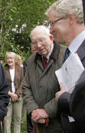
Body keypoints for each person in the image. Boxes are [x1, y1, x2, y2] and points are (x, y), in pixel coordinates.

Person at [46, 0, 85, 132]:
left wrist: (63, 99)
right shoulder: (69, 53)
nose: (50, 30)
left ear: (70, 18)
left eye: (52, 23)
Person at [22, 25, 66, 133]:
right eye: (34, 42)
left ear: (50, 38)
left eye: (41, 40)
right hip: (39, 124)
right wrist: (34, 110)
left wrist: (47, 111)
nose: (38, 45)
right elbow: (25, 87)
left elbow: (71, 88)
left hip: (62, 124)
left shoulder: (66, 55)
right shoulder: (31, 61)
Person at [3, 52, 23, 133]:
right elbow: (2, 84)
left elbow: (23, 82)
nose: (9, 60)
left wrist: (17, 95)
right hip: (7, 97)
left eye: (11, 58)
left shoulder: (20, 69)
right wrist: (10, 94)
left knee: (17, 119)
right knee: (7, 119)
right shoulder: (3, 69)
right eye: (8, 58)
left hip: (19, 97)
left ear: (15, 59)